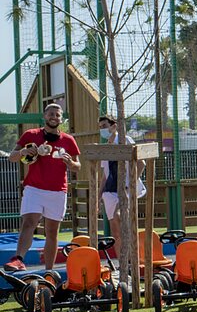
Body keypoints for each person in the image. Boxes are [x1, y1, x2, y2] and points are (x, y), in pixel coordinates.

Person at [6, 103, 81, 271]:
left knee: (52, 231)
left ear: (61, 119)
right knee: (29, 222)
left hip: (57, 191)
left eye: (57, 115)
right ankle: (18, 260)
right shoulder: (30, 135)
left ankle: (49, 271)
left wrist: (70, 163)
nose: (54, 117)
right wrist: (24, 153)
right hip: (34, 188)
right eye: (50, 114)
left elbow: (78, 166)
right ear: (44, 116)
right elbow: (12, 157)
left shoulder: (68, 140)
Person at [96, 115, 146, 247]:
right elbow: (105, 175)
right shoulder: (106, 147)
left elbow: (141, 163)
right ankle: (122, 265)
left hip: (125, 188)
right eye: (100, 127)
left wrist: (130, 185)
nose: (103, 130)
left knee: (120, 215)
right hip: (110, 191)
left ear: (114, 126)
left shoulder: (125, 141)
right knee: (115, 230)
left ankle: (131, 257)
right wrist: (98, 195)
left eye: (105, 126)